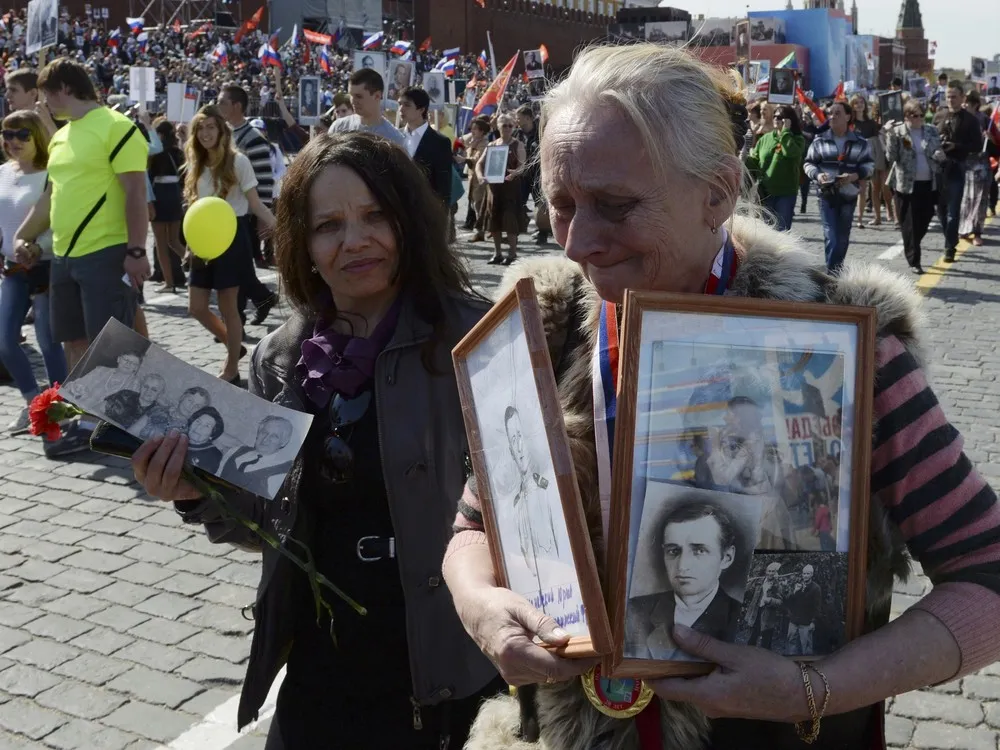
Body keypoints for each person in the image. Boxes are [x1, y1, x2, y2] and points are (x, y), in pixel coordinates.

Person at [443, 43, 1000, 750]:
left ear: (717, 192)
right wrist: (481, 606)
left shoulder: (844, 350)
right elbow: (472, 527)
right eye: (560, 204)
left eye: (615, 206)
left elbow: (987, 575)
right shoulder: (547, 330)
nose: (579, 243)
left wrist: (815, 688)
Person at [130, 132, 504, 748]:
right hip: (323, 673)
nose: (354, 240)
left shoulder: (476, 337)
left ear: (408, 219)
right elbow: (263, 519)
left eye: (375, 215)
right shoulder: (280, 356)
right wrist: (198, 492)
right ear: (301, 244)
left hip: (445, 675)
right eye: (328, 225)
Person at [14, 58, 150, 453]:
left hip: (106, 251)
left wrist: (137, 250)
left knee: (111, 343)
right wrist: (24, 236)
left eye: (45, 93)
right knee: (73, 339)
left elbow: (135, 193)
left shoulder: (117, 127)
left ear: (63, 89)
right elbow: (51, 196)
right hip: (64, 255)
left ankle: (122, 420)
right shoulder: (60, 137)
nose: (43, 102)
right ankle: (89, 418)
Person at [183, 105, 275, 386]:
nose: (206, 133)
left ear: (222, 131)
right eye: (200, 128)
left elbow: (255, 203)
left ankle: (232, 367)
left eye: (211, 127)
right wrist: (190, 245)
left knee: (229, 308)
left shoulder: (239, 162)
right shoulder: (194, 163)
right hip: (202, 242)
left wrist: (279, 228)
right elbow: (194, 208)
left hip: (231, 238)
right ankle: (233, 345)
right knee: (196, 307)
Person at [0, 109, 68, 433]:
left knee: (48, 341)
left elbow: (57, 219)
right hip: (12, 268)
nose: (13, 141)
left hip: (46, 265)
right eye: (7, 134)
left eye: (22, 134)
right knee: (4, 341)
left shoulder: (49, 174)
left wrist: (37, 246)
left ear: (36, 137)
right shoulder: (2, 172)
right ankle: (31, 402)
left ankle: (58, 409)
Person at [626, 499, 743, 661]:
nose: (682, 566)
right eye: (673, 551)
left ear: (727, 558)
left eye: (699, 551)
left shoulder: (742, 620)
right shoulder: (634, 611)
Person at [217, 83, 279, 321]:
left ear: (237, 106)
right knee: (239, 266)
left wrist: (263, 219)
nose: (218, 106)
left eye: (223, 102)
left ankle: (237, 318)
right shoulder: (224, 135)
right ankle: (261, 299)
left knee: (235, 268)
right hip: (224, 213)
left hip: (246, 213)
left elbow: (264, 180)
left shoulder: (253, 139)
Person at [803, 100, 874, 273]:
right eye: (831, 113)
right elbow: (809, 164)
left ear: (848, 117)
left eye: (837, 113)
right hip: (827, 195)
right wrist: (818, 175)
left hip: (849, 195)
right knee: (831, 237)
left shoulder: (860, 142)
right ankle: (832, 274)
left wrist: (853, 177)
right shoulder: (820, 140)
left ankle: (834, 271)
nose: (832, 116)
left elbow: (869, 166)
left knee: (842, 238)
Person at [885, 100, 946, 274]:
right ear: (906, 116)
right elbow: (892, 156)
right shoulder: (898, 132)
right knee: (909, 222)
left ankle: (912, 243)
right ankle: (914, 260)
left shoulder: (931, 130)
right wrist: (889, 135)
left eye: (920, 115)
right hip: (906, 185)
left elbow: (938, 151)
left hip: (929, 182)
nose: (918, 118)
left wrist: (940, 155)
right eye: (914, 115)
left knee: (925, 219)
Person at [932, 81, 983, 262]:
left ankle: (949, 248)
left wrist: (956, 146)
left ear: (962, 98)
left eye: (954, 96)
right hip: (938, 167)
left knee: (953, 211)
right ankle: (951, 237)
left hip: (957, 167)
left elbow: (977, 146)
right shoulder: (939, 115)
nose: (951, 100)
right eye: (948, 96)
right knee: (940, 209)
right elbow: (930, 138)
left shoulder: (971, 120)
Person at [476, 113, 527, 265]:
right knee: (494, 220)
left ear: (514, 127)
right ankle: (497, 253)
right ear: (497, 126)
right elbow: (479, 164)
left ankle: (512, 254)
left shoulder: (518, 144)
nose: (507, 128)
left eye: (510, 125)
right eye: (504, 125)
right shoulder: (492, 145)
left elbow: (523, 165)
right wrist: (480, 177)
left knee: (510, 219)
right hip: (493, 188)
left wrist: (515, 173)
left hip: (510, 188)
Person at [747, 104, 804, 231]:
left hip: (785, 194)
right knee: (766, 232)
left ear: (789, 120)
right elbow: (755, 162)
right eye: (774, 116)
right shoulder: (766, 138)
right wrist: (744, 158)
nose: (776, 119)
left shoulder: (797, 139)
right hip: (765, 193)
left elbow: (790, 152)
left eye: (780, 117)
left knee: (781, 232)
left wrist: (785, 132)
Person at [398, 86, 453, 206]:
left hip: (425, 211)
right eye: (400, 104)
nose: (401, 109)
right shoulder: (394, 136)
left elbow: (443, 188)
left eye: (407, 105)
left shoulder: (440, 142)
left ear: (421, 109)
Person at [148, 118, 185, 292]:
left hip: (160, 195)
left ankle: (169, 283)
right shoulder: (178, 152)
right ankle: (202, 266)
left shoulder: (155, 154)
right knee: (174, 241)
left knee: (161, 243)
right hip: (176, 195)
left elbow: (149, 177)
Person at [218, 415, 294, 499]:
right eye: (264, 432)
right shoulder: (235, 450)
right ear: (258, 433)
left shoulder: (285, 470)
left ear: (283, 442)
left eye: (274, 436)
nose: (265, 439)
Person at [328, 68, 406, 149]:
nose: (353, 101)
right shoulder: (338, 127)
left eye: (359, 96)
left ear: (377, 96)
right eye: (351, 95)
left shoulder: (395, 139)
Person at [744, 561, 784, 649]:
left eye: (772, 571)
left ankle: (765, 658)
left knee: (766, 643)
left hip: (768, 617)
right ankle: (749, 656)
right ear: (766, 572)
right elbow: (749, 594)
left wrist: (770, 600)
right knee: (751, 640)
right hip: (756, 613)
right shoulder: (759, 582)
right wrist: (747, 583)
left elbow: (780, 602)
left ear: (775, 573)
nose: (770, 573)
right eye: (769, 571)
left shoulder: (777, 586)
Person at [784, 564, 822, 656]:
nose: (805, 576)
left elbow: (817, 607)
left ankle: (807, 663)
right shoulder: (798, 585)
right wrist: (794, 592)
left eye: (808, 574)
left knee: (806, 646)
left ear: (812, 574)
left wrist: (813, 622)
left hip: (806, 622)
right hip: (794, 621)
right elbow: (789, 602)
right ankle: (791, 660)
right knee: (791, 641)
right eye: (804, 573)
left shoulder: (816, 588)